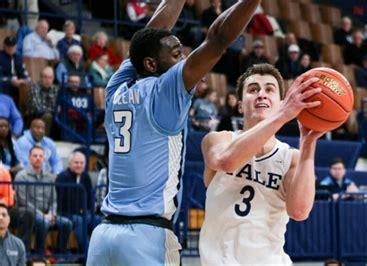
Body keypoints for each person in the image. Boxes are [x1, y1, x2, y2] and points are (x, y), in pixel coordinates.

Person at [87, 0, 261, 265]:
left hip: (104, 237)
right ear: (152, 65)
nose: (184, 60)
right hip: (147, 236)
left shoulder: (116, 86)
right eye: (177, 54)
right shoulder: (166, 91)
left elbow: (147, 36)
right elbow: (218, 38)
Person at [199, 64, 323, 265]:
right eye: (253, 89)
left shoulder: (291, 157)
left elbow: (299, 212)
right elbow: (225, 161)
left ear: (281, 102)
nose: (262, 94)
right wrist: (282, 115)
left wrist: (308, 142)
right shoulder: (218, 139)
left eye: (269, 89)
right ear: (240, 105)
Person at [15, 146, 72, 256]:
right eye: (35, 156)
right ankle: (39, 255)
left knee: (67, 223)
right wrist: (42, 215)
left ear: (44, 159)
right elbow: (22, 201)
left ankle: (60, 255)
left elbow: (54, 199)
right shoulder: (21, 176)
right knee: (43, 222)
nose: (38, 158)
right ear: (29, 158)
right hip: (31, 214)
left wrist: (52, 213)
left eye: (41, 156)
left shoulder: (49, 177)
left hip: (48, 214)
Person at [56, 151, 95, 254]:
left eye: (81, 163)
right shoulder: (63, 177)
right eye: (76, 162)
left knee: (97, 219)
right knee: (78, 220)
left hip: (83, 213)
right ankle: (86, 254)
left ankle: (98, 252)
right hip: (66, 213)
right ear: (70, 164)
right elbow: (62, 201)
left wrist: (90, 211)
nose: (79, 165)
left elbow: (90, 197)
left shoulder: (85, 177)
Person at [27, 66, 59, 136]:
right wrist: (55, 110)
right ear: (40, 78)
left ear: (53, 79)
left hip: (52, 115)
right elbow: (38, 109)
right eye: (45, 77)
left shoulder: (56, 89)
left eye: (50, 78)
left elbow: (60, 107)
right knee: (48, 116)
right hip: (34, 117)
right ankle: (43, 140)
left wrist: (56, 110)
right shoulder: (34, 88)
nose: (47, 80)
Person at [0, 36, 30, 103]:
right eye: (8, 46)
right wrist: (10, 81)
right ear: (4, 46)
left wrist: (24, 80)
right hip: (5, 84)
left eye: (12, 46)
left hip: (18, 84)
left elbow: (24, 73)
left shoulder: (18, 58)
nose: (10, 48)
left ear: (16, 46)